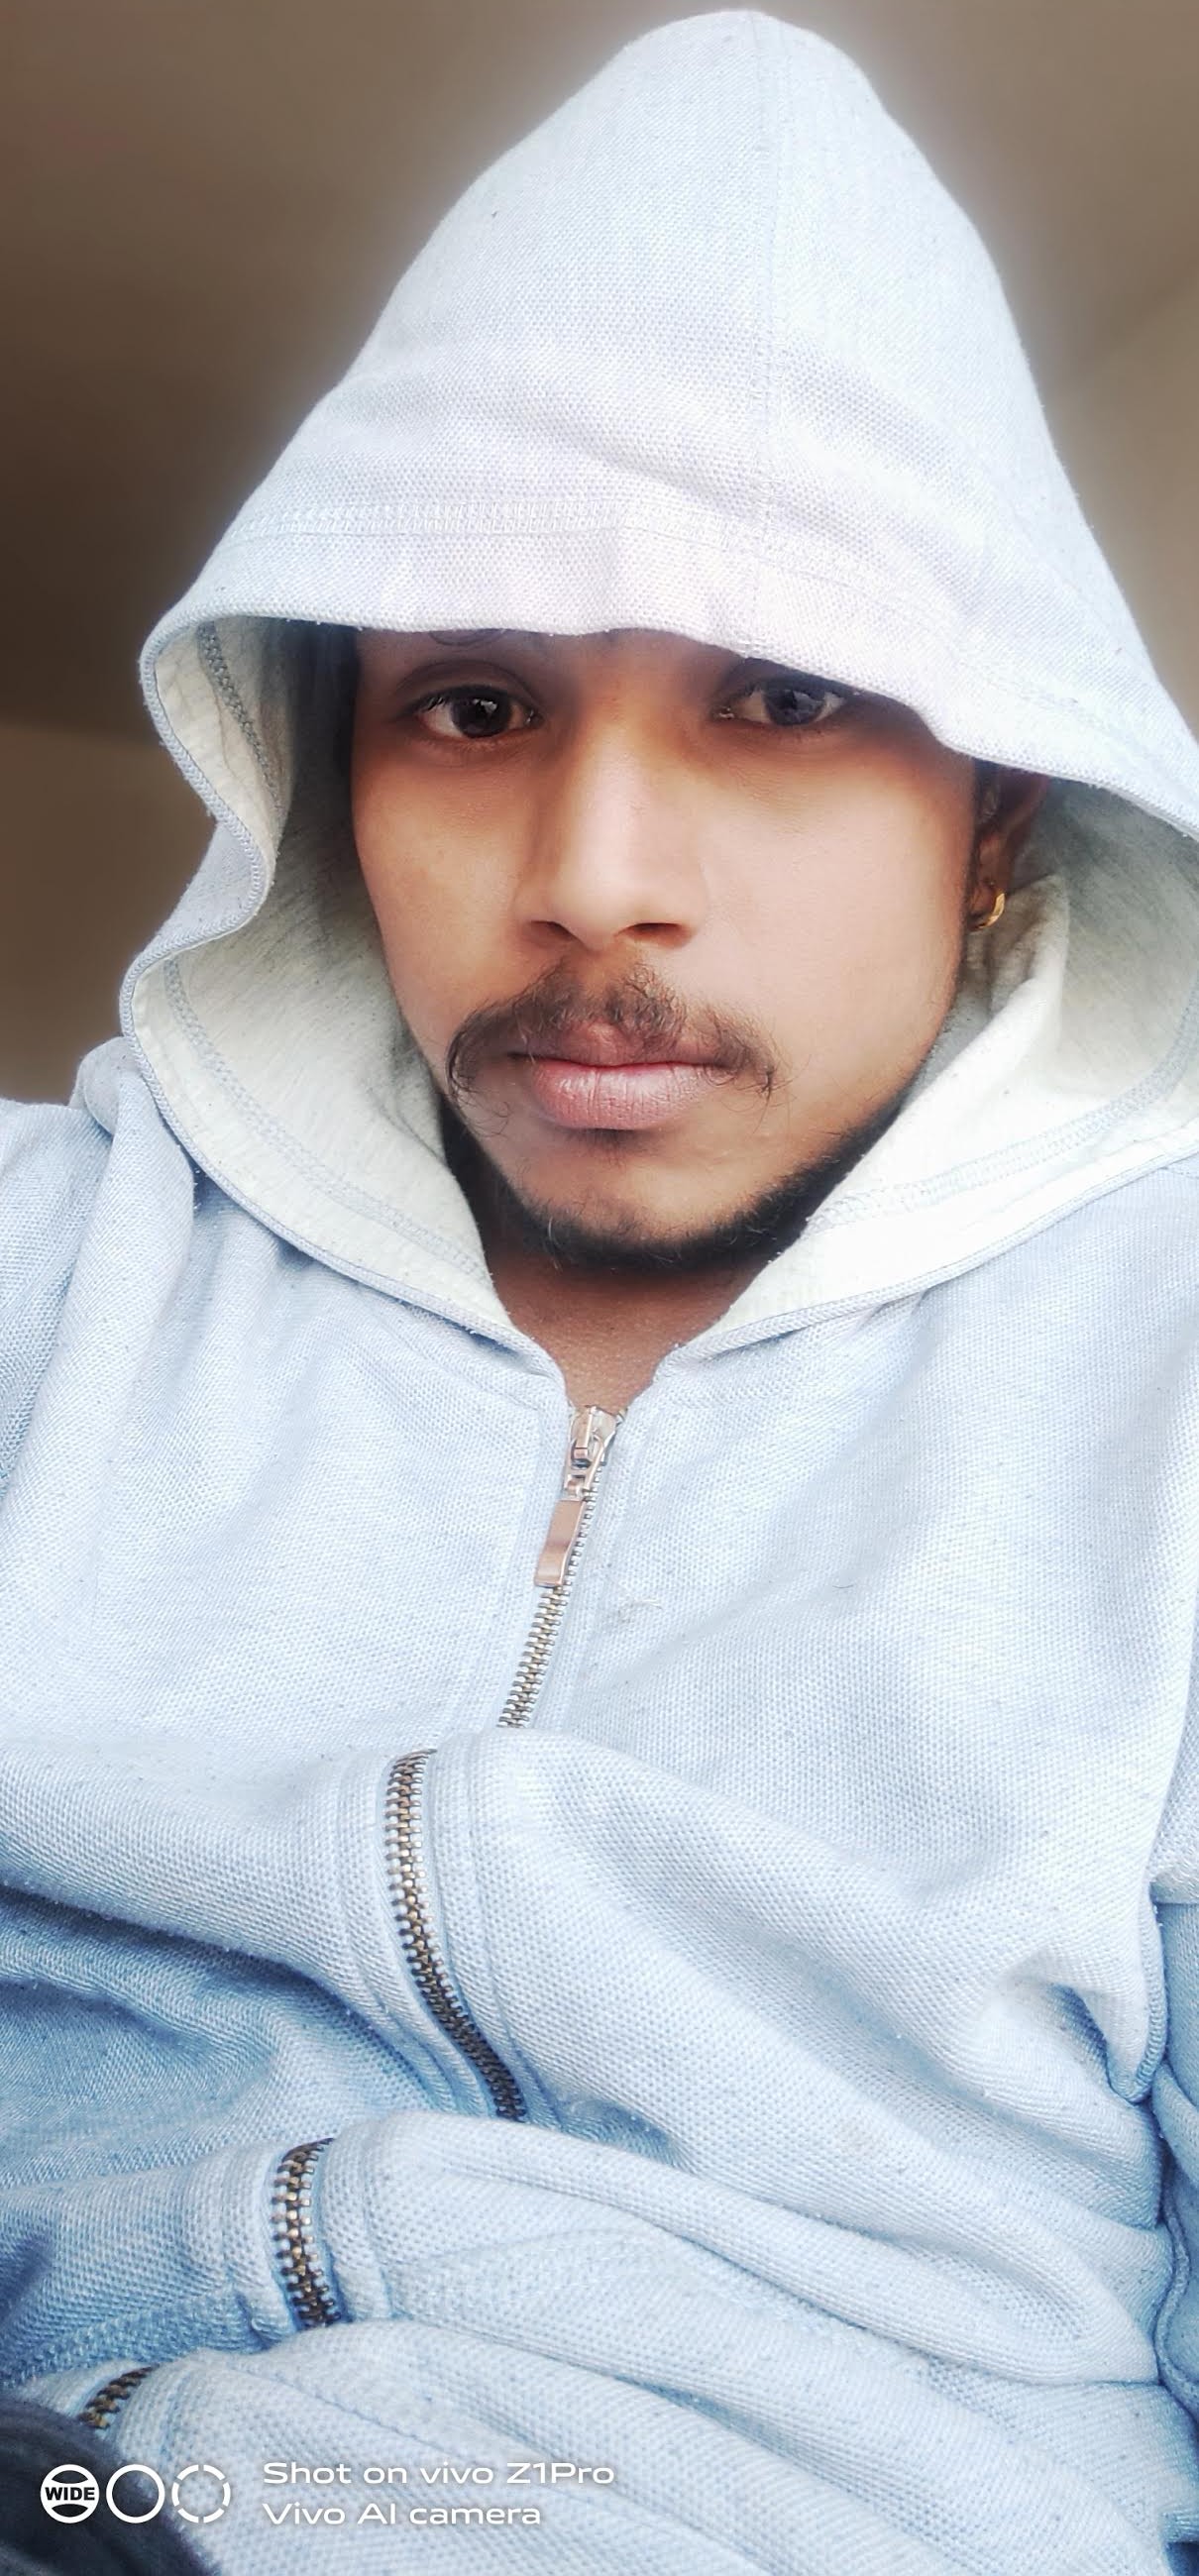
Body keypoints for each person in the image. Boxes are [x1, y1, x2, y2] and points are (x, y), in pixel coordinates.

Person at [3, 10, 1199, 2569]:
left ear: (995, 800)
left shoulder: (1171, 1384)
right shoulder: (46, 1278)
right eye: (469, 705)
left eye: (779, 699)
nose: (591, 875)